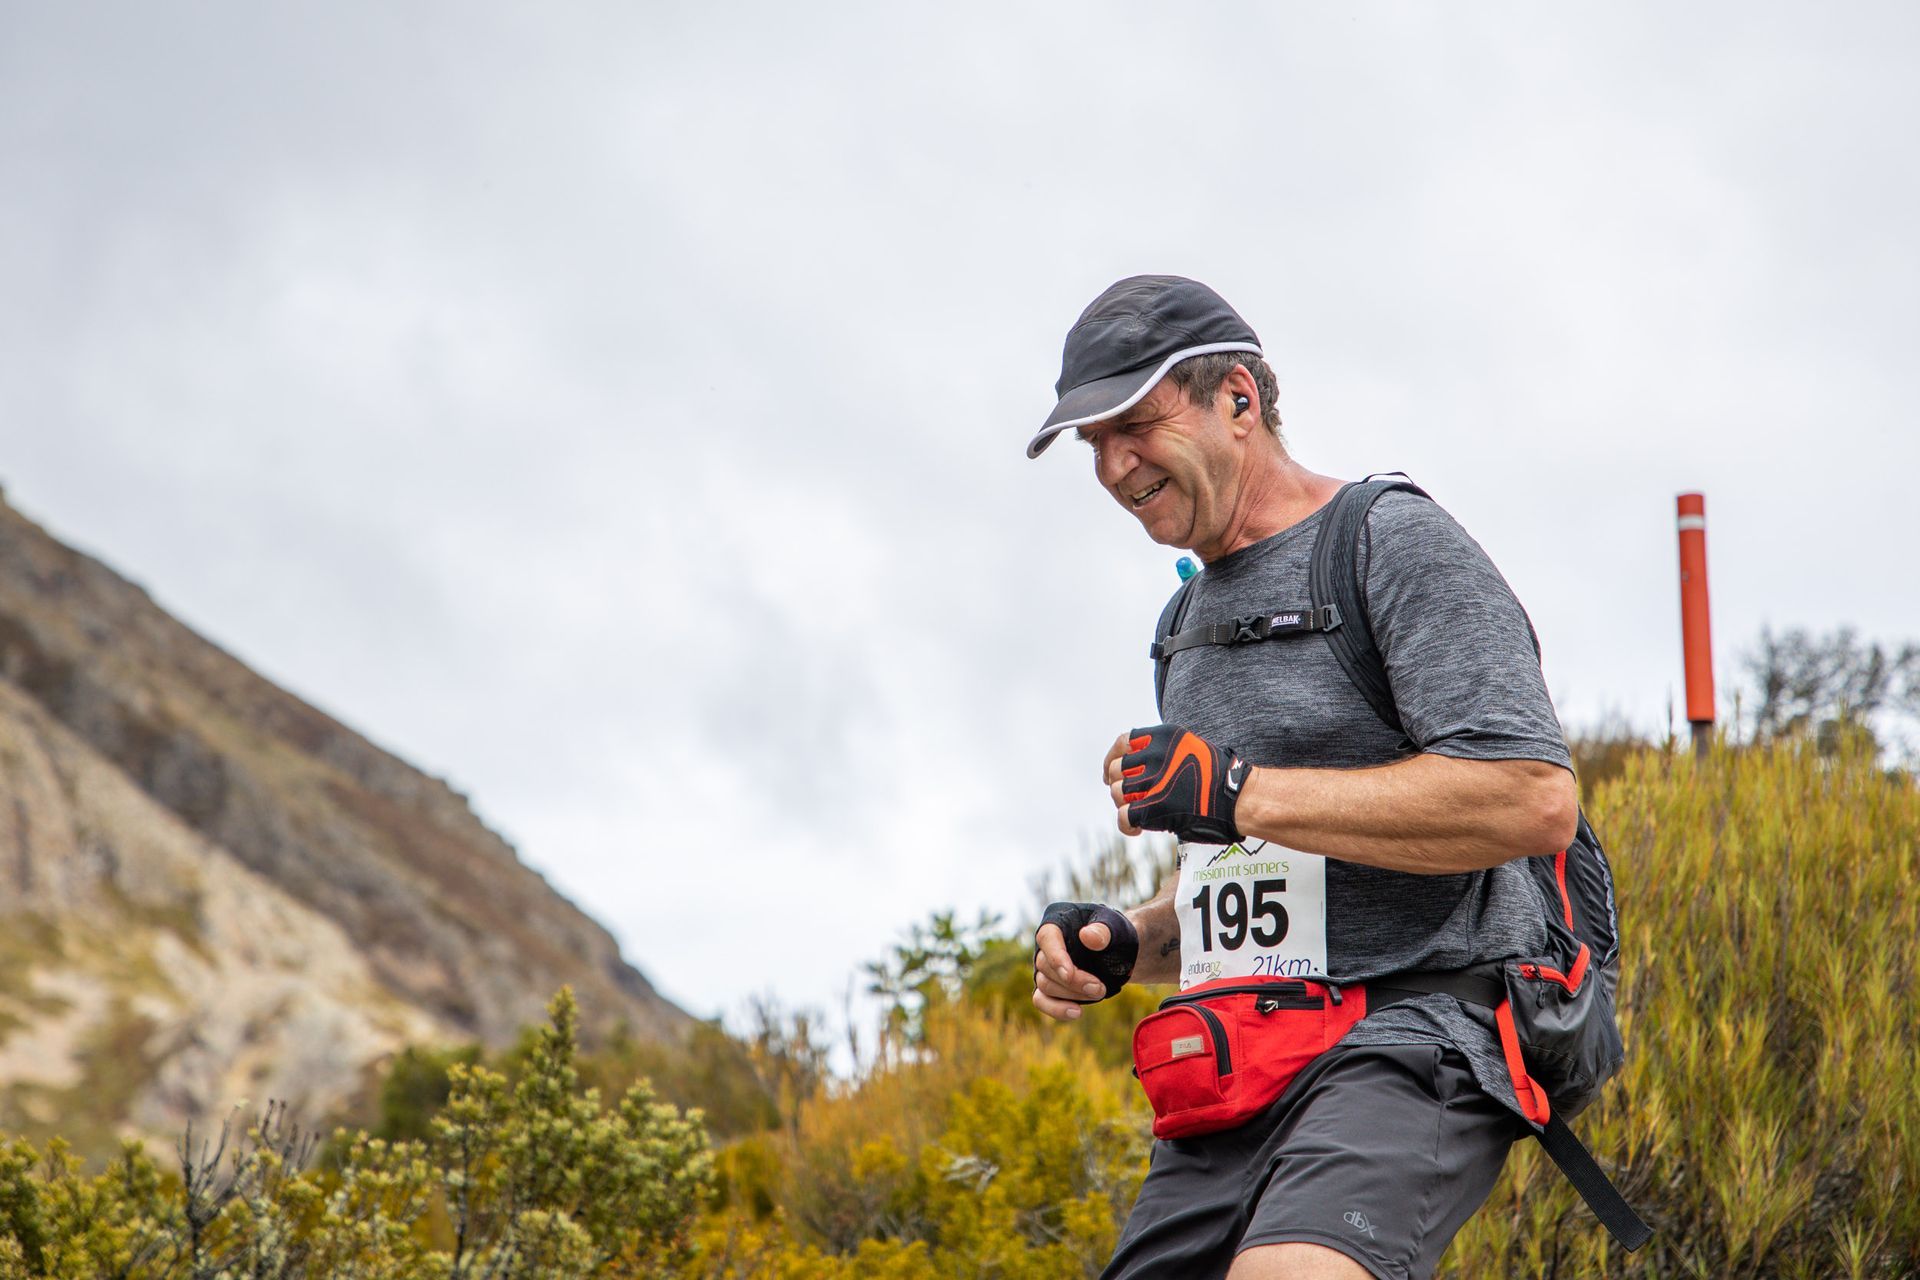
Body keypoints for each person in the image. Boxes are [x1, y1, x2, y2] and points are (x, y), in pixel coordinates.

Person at [1026, 275, 1581, 1280]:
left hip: (1412, 1033)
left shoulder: (1386, 538)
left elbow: (1530, 796)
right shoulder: (1183, 626)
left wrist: (1237, 788)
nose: (1111, 464)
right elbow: (1257, 871)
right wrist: (1124, 940)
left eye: (1133, 424)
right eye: (1089, 443)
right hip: (1239, 1059)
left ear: (1238, 399)